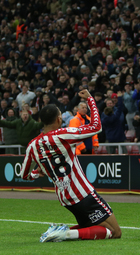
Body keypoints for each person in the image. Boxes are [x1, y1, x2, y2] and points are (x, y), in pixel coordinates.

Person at [20, 89, 121, 242]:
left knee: (91, 226)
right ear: (59, 119)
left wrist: (37, 173)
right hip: (82, 194)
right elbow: (96, 127)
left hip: (65, 198)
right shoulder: (63, 135)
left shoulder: (32, 145)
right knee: (114, 232)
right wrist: (90, 100)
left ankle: (57, 232)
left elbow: (24, 175)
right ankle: (65, 234)